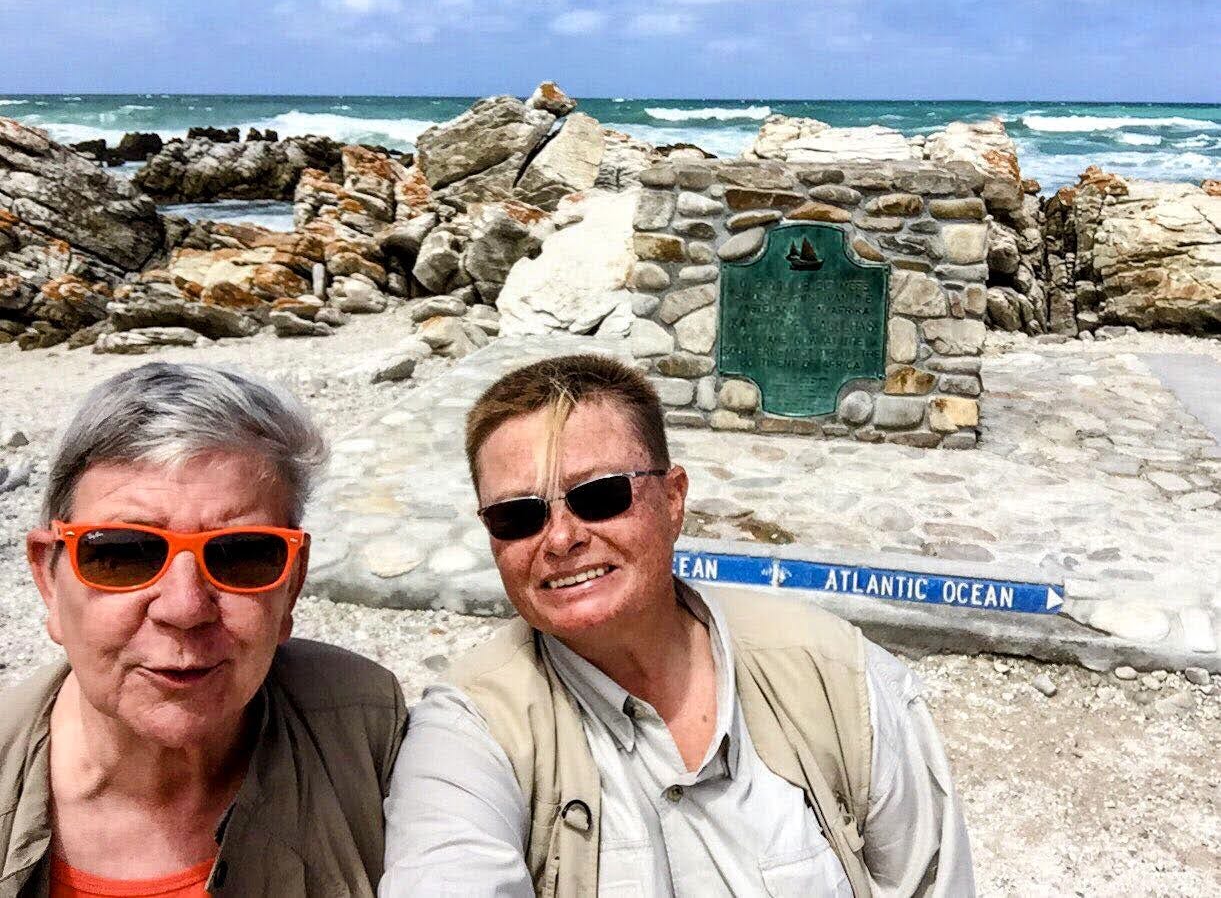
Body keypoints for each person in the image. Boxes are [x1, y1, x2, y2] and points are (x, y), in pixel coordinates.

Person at [382, 353, 974, 897]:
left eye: (600, 495)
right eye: (519, 515)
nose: (561, 538)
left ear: (673, 499)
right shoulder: (470, 733)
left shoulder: (837, 680)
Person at [1, 363, 407, 898]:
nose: (186, 607)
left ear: (293, 585)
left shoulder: (365, 730)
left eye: (242, 555)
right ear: (49, 579)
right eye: (123, 554)